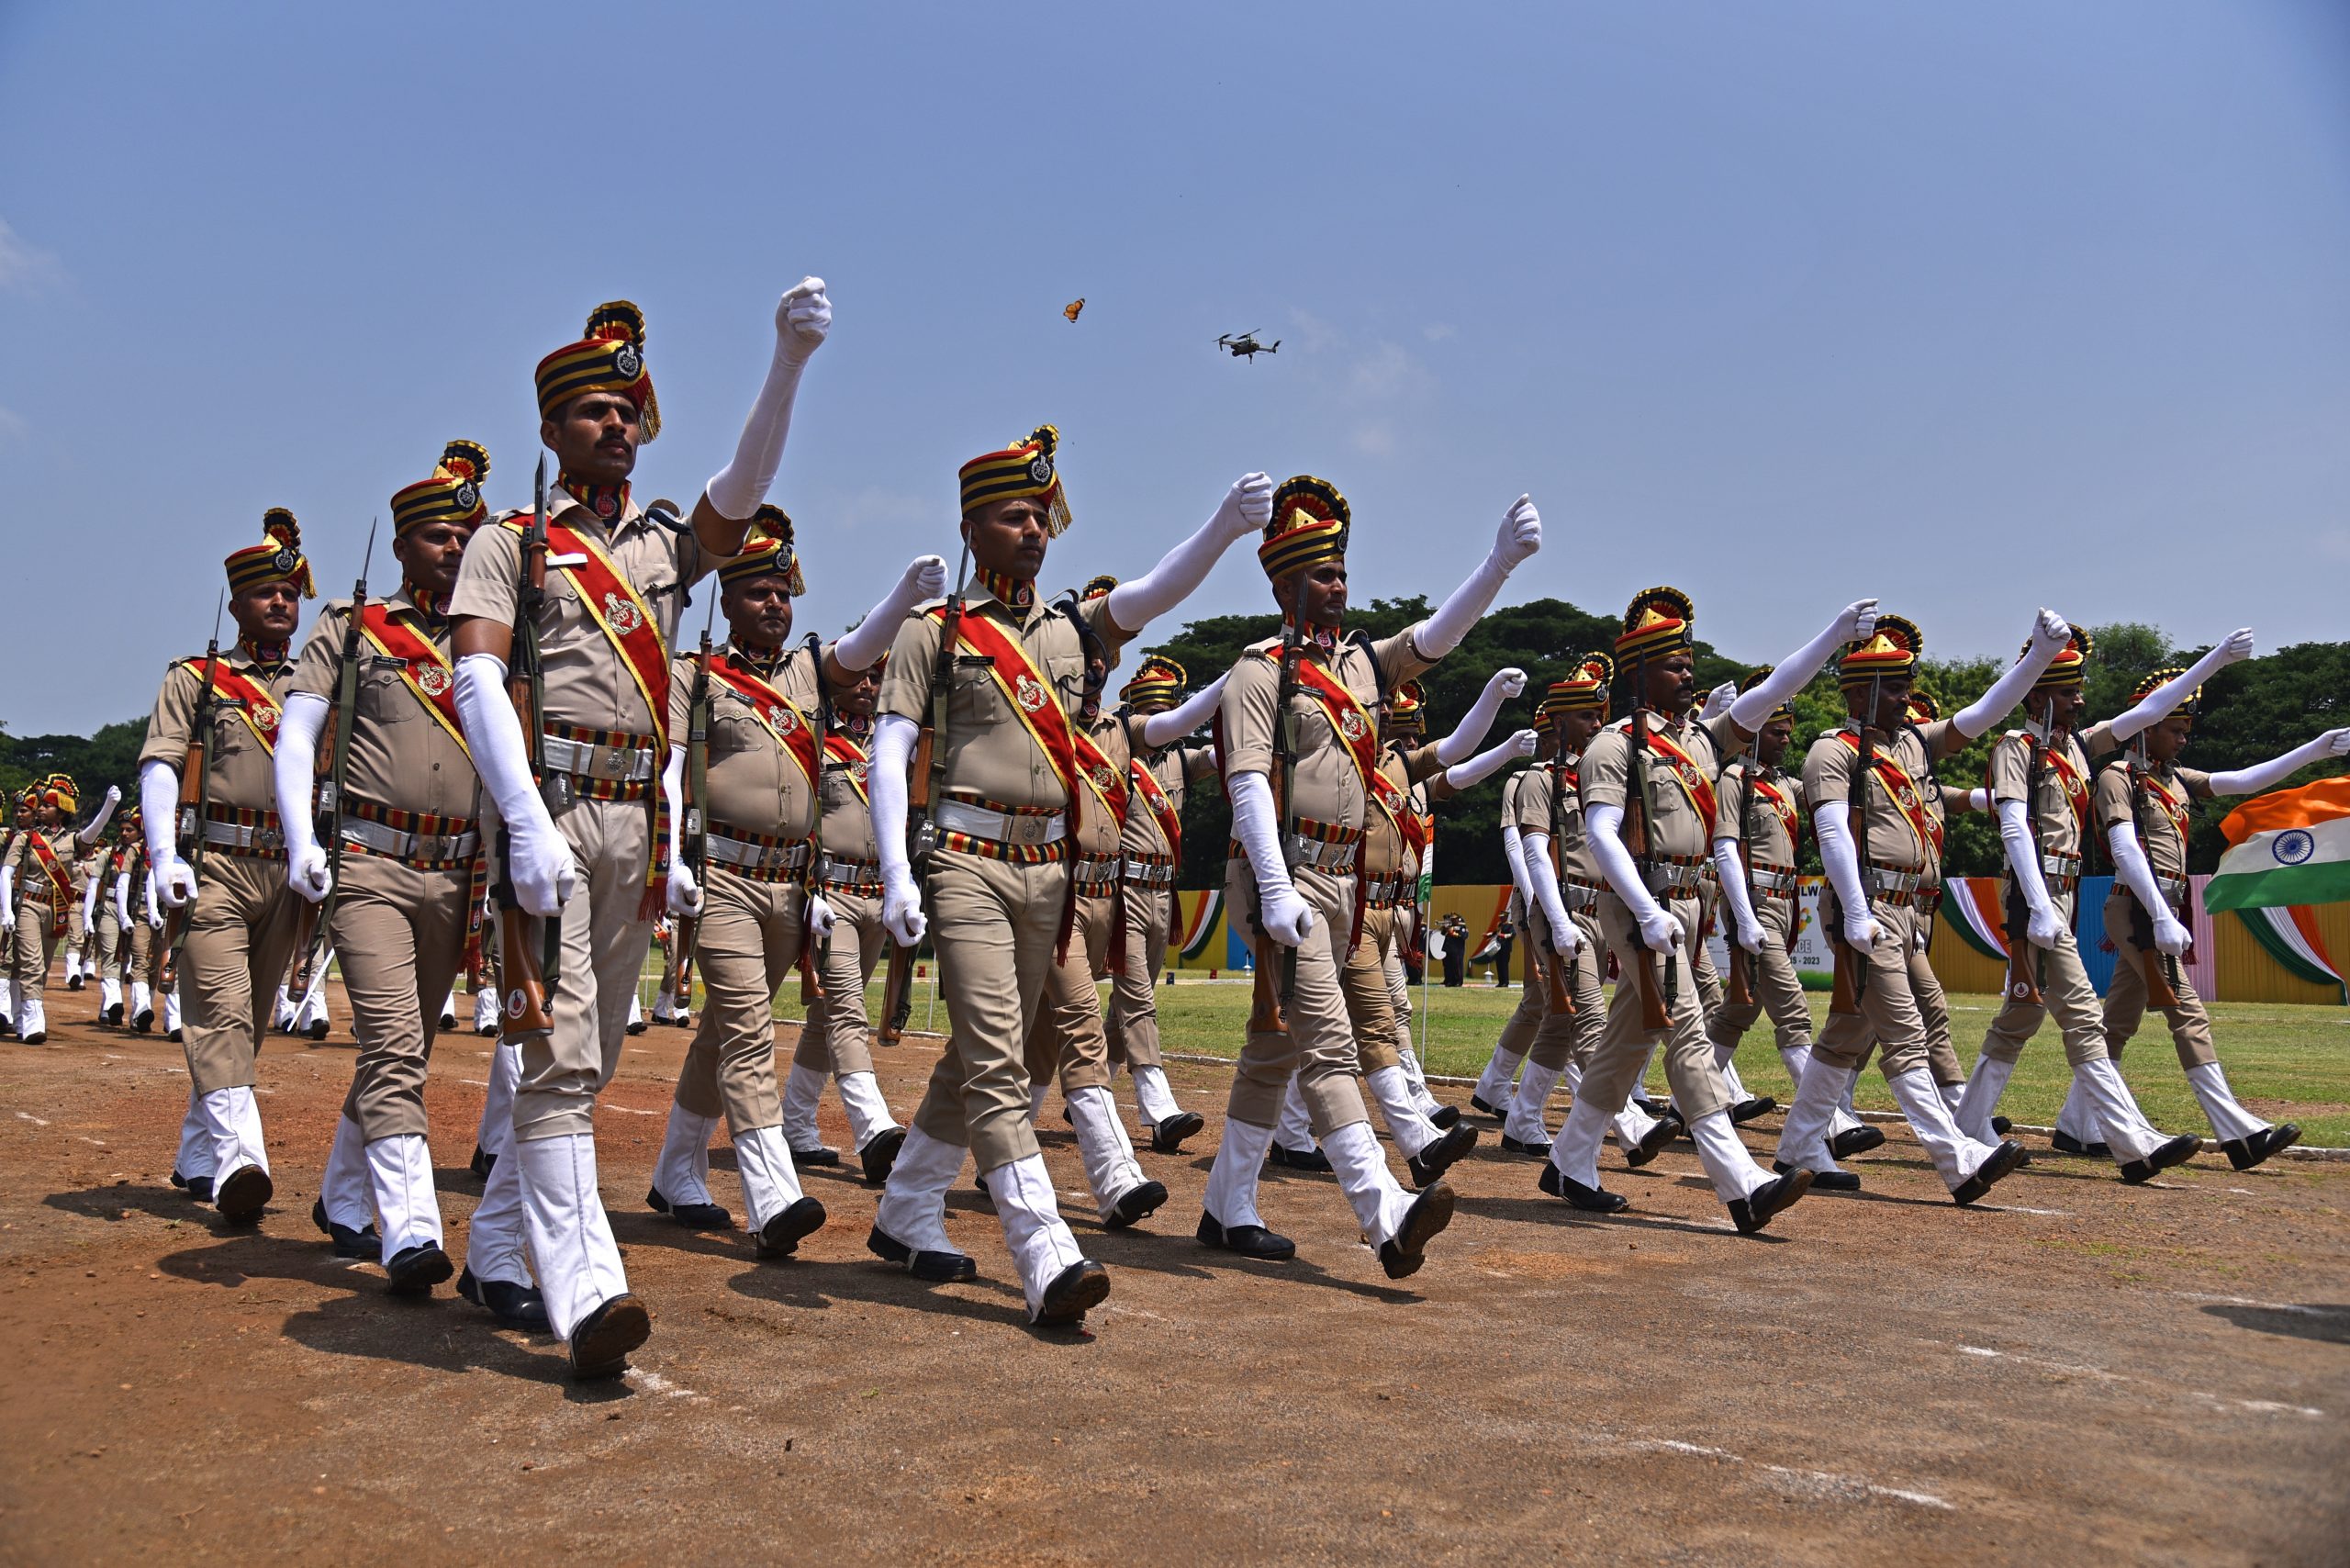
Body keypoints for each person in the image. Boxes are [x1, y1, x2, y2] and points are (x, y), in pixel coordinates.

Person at [449, 282, 833, 1377]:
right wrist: (520, 816)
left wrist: (786, 362)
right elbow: (478, 675)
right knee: (562, 1056)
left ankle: (494, 1253)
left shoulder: (664, 547)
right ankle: (586, 1289)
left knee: (588, 1052)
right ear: (551, 427)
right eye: (591, 412)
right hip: (551, 802)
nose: (614, 426)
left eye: (628, 413)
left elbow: (744, 490)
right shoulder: (510, 543)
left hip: (630, 817)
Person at [867, 431, 1273, 1324]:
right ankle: (1042, 1244)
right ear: (973, 526)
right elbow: (890, 747)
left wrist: (1223, 528)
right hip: (967, 862)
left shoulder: (1070, 631)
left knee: (1028, 1044)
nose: (1035, 530)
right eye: (1015, 515)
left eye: (1043, 515)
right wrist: (896, 867)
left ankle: (904, 1208)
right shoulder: (932, 635)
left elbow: (1155, 590)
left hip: (1049, 871)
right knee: (999, 1051)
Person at [1195, 476, 1539, 1274]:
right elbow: (1246, 780)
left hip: (1347, 884)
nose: (1339, 585)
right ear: (1284, 582)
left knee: (1270, 1050)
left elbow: (1433, 641)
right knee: (1328, 1044)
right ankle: (1384, 1210)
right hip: (1288, 879)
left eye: (1343, 570)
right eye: (1322, 573)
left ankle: (1225, 1206)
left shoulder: (1358, 664)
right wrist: (1276, 889)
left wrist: (1497, 567)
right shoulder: (1257, 672)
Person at [645, 508, 945, 1254]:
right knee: (747, 1029)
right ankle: (772, 1192)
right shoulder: (696, 674)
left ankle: (675, 1171)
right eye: (756, 592)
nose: (773, 604)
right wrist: (670, 855)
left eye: (782, 592)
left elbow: (860, 650)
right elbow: (672, 767)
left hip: (790, 885)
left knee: (719, 1033)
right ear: (727, 598)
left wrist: (906, 595)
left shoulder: (812, 672)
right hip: (723, 873)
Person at [1541, 588, 1881, 1232]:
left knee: (1625, 1042)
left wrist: (1834, 637)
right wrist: (1644, 912)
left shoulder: (1698, 741)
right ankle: (1741, 1182)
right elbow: (1601, 834)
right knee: (1689, 1038)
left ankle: (1569, 1160)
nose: (1688, 673)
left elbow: (1772, 690)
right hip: (1646, 906)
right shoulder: (1615, 746)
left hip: (1688, 905)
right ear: (1640, 672)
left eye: (1690, 661)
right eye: (1674, 664)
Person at [273, 440, 512, 1299]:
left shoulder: (491, 637)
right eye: (441, 537)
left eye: (465, 538)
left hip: (454, 874)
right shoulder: (353, 623)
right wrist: (303, 837)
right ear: (405, 542)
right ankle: (410, 1227)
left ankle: (343, 1199)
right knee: (395, 1044)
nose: (455, 550)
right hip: (370, 859)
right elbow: (298, 732)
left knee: (398, 1046)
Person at [1772, 612, 2071, 1200]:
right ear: (1860, 692)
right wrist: (1856, 914)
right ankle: (1954, 1156)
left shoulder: (1912, 743)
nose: (1908, 698)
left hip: (1910, 909)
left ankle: (1799, 1143)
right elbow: (1832, 834)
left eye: (1909, 685)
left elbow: (1982, 715)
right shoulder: (1831, 752)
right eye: (1896, 687)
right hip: (1870, 905)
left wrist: (2036, 657)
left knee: (1852, 1032)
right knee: (1904, 1031)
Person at [1952, 625, 2254, 1180]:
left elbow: (2150, 710)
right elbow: (2015, 828)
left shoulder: (2075, 747)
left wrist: (2212, 661)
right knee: (2085, 1019)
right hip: (2034, 893)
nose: (2081, 700)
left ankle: (1967, 1124)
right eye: (2069, 693)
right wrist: (2039, 906)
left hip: (2061, 893)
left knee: (2019, 1016)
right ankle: (2130, 1142)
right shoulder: (2014, 748)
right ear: (2039, 695)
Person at [1019, 591, 1231, 1226]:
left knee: (1047, 1034)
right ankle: (1132, 1148)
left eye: (1101, 661)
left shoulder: (1122, 735)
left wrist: (1244, 684)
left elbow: (1184, 729)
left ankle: (992, 1142)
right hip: (1062, 896)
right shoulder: (1043, 720)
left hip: (1125, 894)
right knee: (1098, 1013)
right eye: (1083, 659)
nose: (1092, 670)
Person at [137, 510, 314, 1224]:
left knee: (251, 1022)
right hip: (216, 863)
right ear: (238, 603)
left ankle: (195, 1156)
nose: (281, 603)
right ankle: (242, 1159)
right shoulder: (198, 678)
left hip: (285, 868)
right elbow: (159, 764)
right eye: (265, 594)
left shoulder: (315, 684)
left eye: (290, 594)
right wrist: (161, 856)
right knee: (221, 1011)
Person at [2088, 669, 2341, 1170]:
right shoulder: (2116, 776)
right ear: (2148, 725)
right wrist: (2160, 917)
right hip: (2140, 908)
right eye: (2175, 728)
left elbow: (2243, 781)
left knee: (2115, 1023)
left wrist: (2313, 750)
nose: (2184, 738)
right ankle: (2236, 1131)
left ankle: (2079, 1125)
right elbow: (2123, 845)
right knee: (2188, 1014)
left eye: (2187, 730)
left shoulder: (2174, 778)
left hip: (2160, 907)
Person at [1351, 672, 1531, 1185]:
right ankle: (1412, 1120)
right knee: (1368, 1019)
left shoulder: (1407, 778)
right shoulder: (1361, 771)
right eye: (1403, 735)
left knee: (1378, 1015)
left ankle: (1406, 1100)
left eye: (1413, 736)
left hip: (1395, 907)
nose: (1410, 744)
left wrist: (1504, 746)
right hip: (1357, 906)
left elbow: (1460, 768)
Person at [1501, 658, 1673, 1165]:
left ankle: (1522, 1118)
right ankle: (1630, 1125)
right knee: (1592, 1021)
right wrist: (1555, 923)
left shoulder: (1599, 775)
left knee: (1560, 1024)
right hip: (1564, 911)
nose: (1598, 723)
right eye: (1585, 716)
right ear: (1559, 722)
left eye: (1600, 714)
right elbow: (1535, 853)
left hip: (1599, 909)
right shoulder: (1538, 781)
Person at [779, 649, 908, 1178]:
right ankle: (871, 1125)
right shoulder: (813, 743)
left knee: (824, 1017)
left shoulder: (893, 749)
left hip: (881, 896)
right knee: (848, 1011)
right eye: (857, 676)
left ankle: (796, 1126)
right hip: (832, 893)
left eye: (876, 677)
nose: (866, 685)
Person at [1102, 655, 1219, 1149]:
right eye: (1148, 712)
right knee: (1138, 998)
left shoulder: (1178, 761)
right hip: (1124, 890)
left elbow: (1221, 755)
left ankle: (1095, 1089)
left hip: (1163, 892)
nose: (1158, 721)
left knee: (1132, 998)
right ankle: (1158, 1107)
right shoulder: (1115, 754)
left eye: (1165, 710)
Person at [3, 773, 120, 1040]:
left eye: (47, 805)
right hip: (29, 905)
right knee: (32, 963)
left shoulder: (71, 841)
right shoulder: (26, 839)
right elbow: (6, 873)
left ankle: (21, 1018)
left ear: (62, 811)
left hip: (56, 908)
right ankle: (34, 1023)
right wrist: (7, 910)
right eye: (40, 805)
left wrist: (109, 806)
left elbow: (92, 833)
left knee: (40, 967)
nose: (40, 809)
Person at [1440, 913, 1468, 988]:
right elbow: (1442, 934)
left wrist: (1453, 933)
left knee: (1457, 966)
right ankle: (1450, 981)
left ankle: (1458, 981)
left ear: (1458, 919)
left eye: (1454, 919)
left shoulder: (1461, 927)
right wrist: (1445, 929)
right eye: (1452, 919)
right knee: (1449, 966)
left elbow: (1463, 936)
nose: (1452, 920)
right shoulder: (1450, 926)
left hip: (1457, 949)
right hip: (1449, 949)